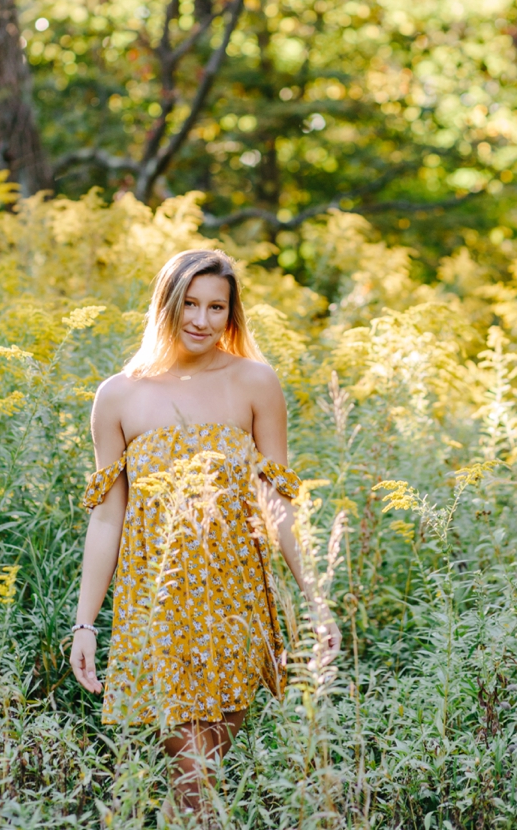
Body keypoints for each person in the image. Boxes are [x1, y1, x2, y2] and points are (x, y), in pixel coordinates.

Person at [67, 248, 340, 815]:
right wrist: (85, 624)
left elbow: (278, 504)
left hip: (236, 599)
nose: (201, 319)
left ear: (232, 314)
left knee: (204, 774)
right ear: (165, 304)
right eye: (189, 303)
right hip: (158, 602)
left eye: (216, 307)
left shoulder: (254, 382)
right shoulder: (119, 395)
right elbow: (107, 517)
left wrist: (317, 602)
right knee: (195, 780)